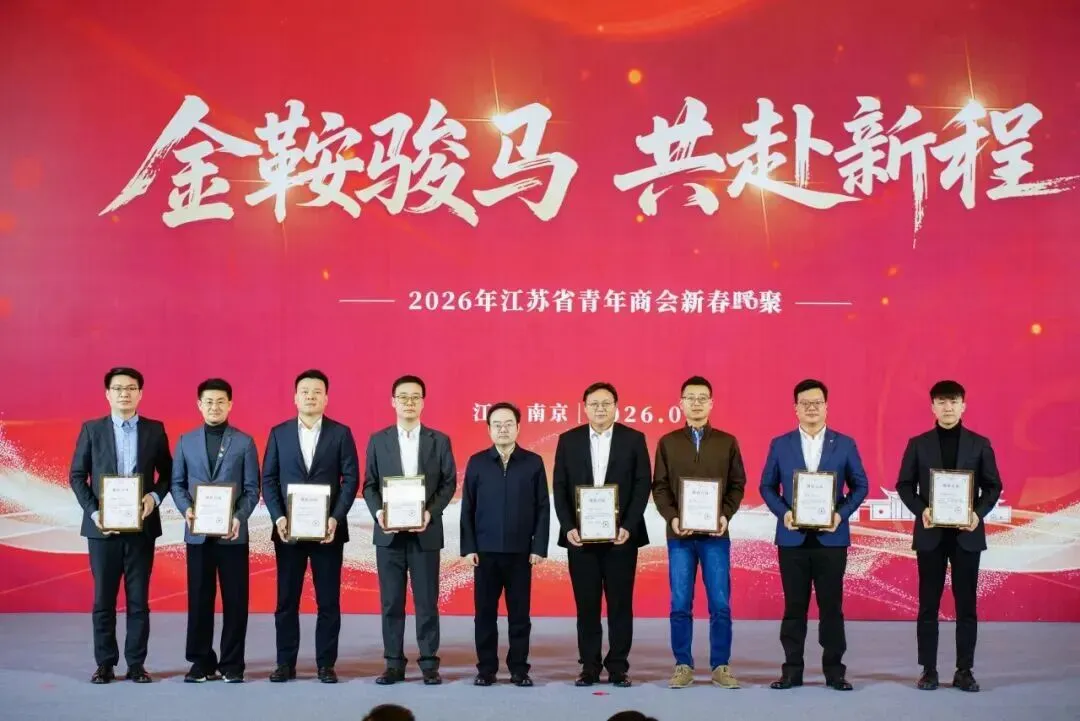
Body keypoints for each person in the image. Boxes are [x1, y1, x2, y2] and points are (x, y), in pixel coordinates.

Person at [759, 379, 868, 690]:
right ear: (795, 408)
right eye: (805, 403)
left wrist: (839, 515)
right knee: (794, 608)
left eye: (817, 403)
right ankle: (792, 670)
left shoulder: (844, 444)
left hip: (831, 540)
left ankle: (835, 672)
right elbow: (766, 486)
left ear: (826, 407)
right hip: (792, 540)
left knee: (831, 607)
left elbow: (861, 485)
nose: (811, 408)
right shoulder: (781, 444)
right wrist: (785, 513)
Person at [896, 380, 1002, 693]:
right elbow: (904, 485)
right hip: (931, 533)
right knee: (928, 604)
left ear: (963, 405)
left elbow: (993, 486)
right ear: (932, 406)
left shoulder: (979, 444)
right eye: (941, 402)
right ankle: (928, 670)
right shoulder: (918, 444)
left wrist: (977, 513)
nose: (948, 407)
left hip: (967, 534)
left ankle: (964, 671)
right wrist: (922, 510)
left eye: (953, 401)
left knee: (966, 605)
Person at [68, 366, 173, 684]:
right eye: (118, 388)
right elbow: (77, 476)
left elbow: (168, 474)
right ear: (107, 394)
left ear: (140, 393)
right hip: (103, 530)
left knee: (139, 600)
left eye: (130, 388)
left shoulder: (155, 430)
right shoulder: (92, 429)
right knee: (104, 600)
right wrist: (94, 513)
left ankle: (136, 664)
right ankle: (105, 664)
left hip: (142, 529)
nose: (124, 393)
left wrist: (154, 498)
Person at [262, 369, 360, 683]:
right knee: (286, 601)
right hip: (288, 532)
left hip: (328, 532)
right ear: (295, 397)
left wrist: (335, 518)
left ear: (326, 398)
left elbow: (351, 480)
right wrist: (279, 518)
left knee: (328, 601)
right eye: (305, 391)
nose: (310, 396)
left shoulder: (340, 433)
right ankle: (285, 663)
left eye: (317, 392)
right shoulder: (279, 433)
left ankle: (325, 664)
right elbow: (269, 479)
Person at [552, 382, 651, 687]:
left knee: (620, 604)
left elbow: (642, 484)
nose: (600, 408)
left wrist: (628, 526)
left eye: (606, 403)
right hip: (580, 539)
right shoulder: (569, 440)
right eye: (594, 403)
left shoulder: (633, 439)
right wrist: (568, 526)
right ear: (584, 407)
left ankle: (618, 666)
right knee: (587, 605)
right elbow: (559, 486)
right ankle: (589, 666)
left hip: (621, 537)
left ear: (616, 407)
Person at [652, 375, 746, 689]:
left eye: (702, 398)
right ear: (681, 403)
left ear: (711, 403)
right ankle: (683, 665)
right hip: (679, 536)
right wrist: (672, 518)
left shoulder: (727, 442)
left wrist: (725, 515)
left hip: (715, 537)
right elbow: (659, 487)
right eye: (690, 398)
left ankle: (721, 665)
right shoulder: (667, 442)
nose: (696, 403)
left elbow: (737, 485)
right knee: (680, 603)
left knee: (720, 603)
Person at [362, 375, 457, 685]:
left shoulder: (439, 440)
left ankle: (429, 663)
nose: (409, 402)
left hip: (425, 532)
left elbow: (448, 483)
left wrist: (430, 512)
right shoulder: (378, 440)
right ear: (393, 402)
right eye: (403, 397)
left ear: (423, 402)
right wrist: (380, 513)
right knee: (391, 602)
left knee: (427, 601)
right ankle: (393, 663)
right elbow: (369, 485)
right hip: (388, 535)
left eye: (415, 397)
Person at [170, 378, 261, 683]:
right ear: (199, 404)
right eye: (208, 401)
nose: (214, 407)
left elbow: (252, 489)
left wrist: (238, 517)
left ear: (230, 404)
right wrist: (187, 510)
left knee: (235, 601)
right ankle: (201, 662)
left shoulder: (244, 442)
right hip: (198, 534)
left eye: (221, 401)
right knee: (199, 599)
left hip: (232, 534)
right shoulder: (185, 441)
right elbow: (177, 484)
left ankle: (232, 663)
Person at [460, 402, 549, 686]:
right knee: (484, 615)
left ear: (518, 427)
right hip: (484, 553)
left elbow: (543, 508)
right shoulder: (477, 462)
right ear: (488, 429)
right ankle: (486, 669)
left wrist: (538, 547)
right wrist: (469, 547)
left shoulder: (533, 462)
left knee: (519, 616)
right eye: (497, 424)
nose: (503, 429)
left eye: (508, 423)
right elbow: (467, 507)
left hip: (521, 553)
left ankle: (519, 669)